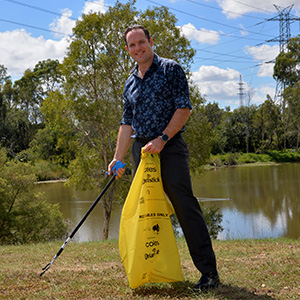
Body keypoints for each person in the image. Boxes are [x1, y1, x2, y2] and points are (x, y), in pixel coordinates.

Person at [108, 24, 219, 292]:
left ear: (151, 41)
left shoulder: (171, 69)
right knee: (147, 212)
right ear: (127, 49)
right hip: (142, 152)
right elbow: (126, 124)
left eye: (141, 42)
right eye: (132, 45)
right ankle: (151, 269)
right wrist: (117, 158)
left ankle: (209, 274)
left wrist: (163, 139)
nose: (137, 48)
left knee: (184, 206)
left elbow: (184, 108)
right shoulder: (129, 82)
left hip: (169, 147)